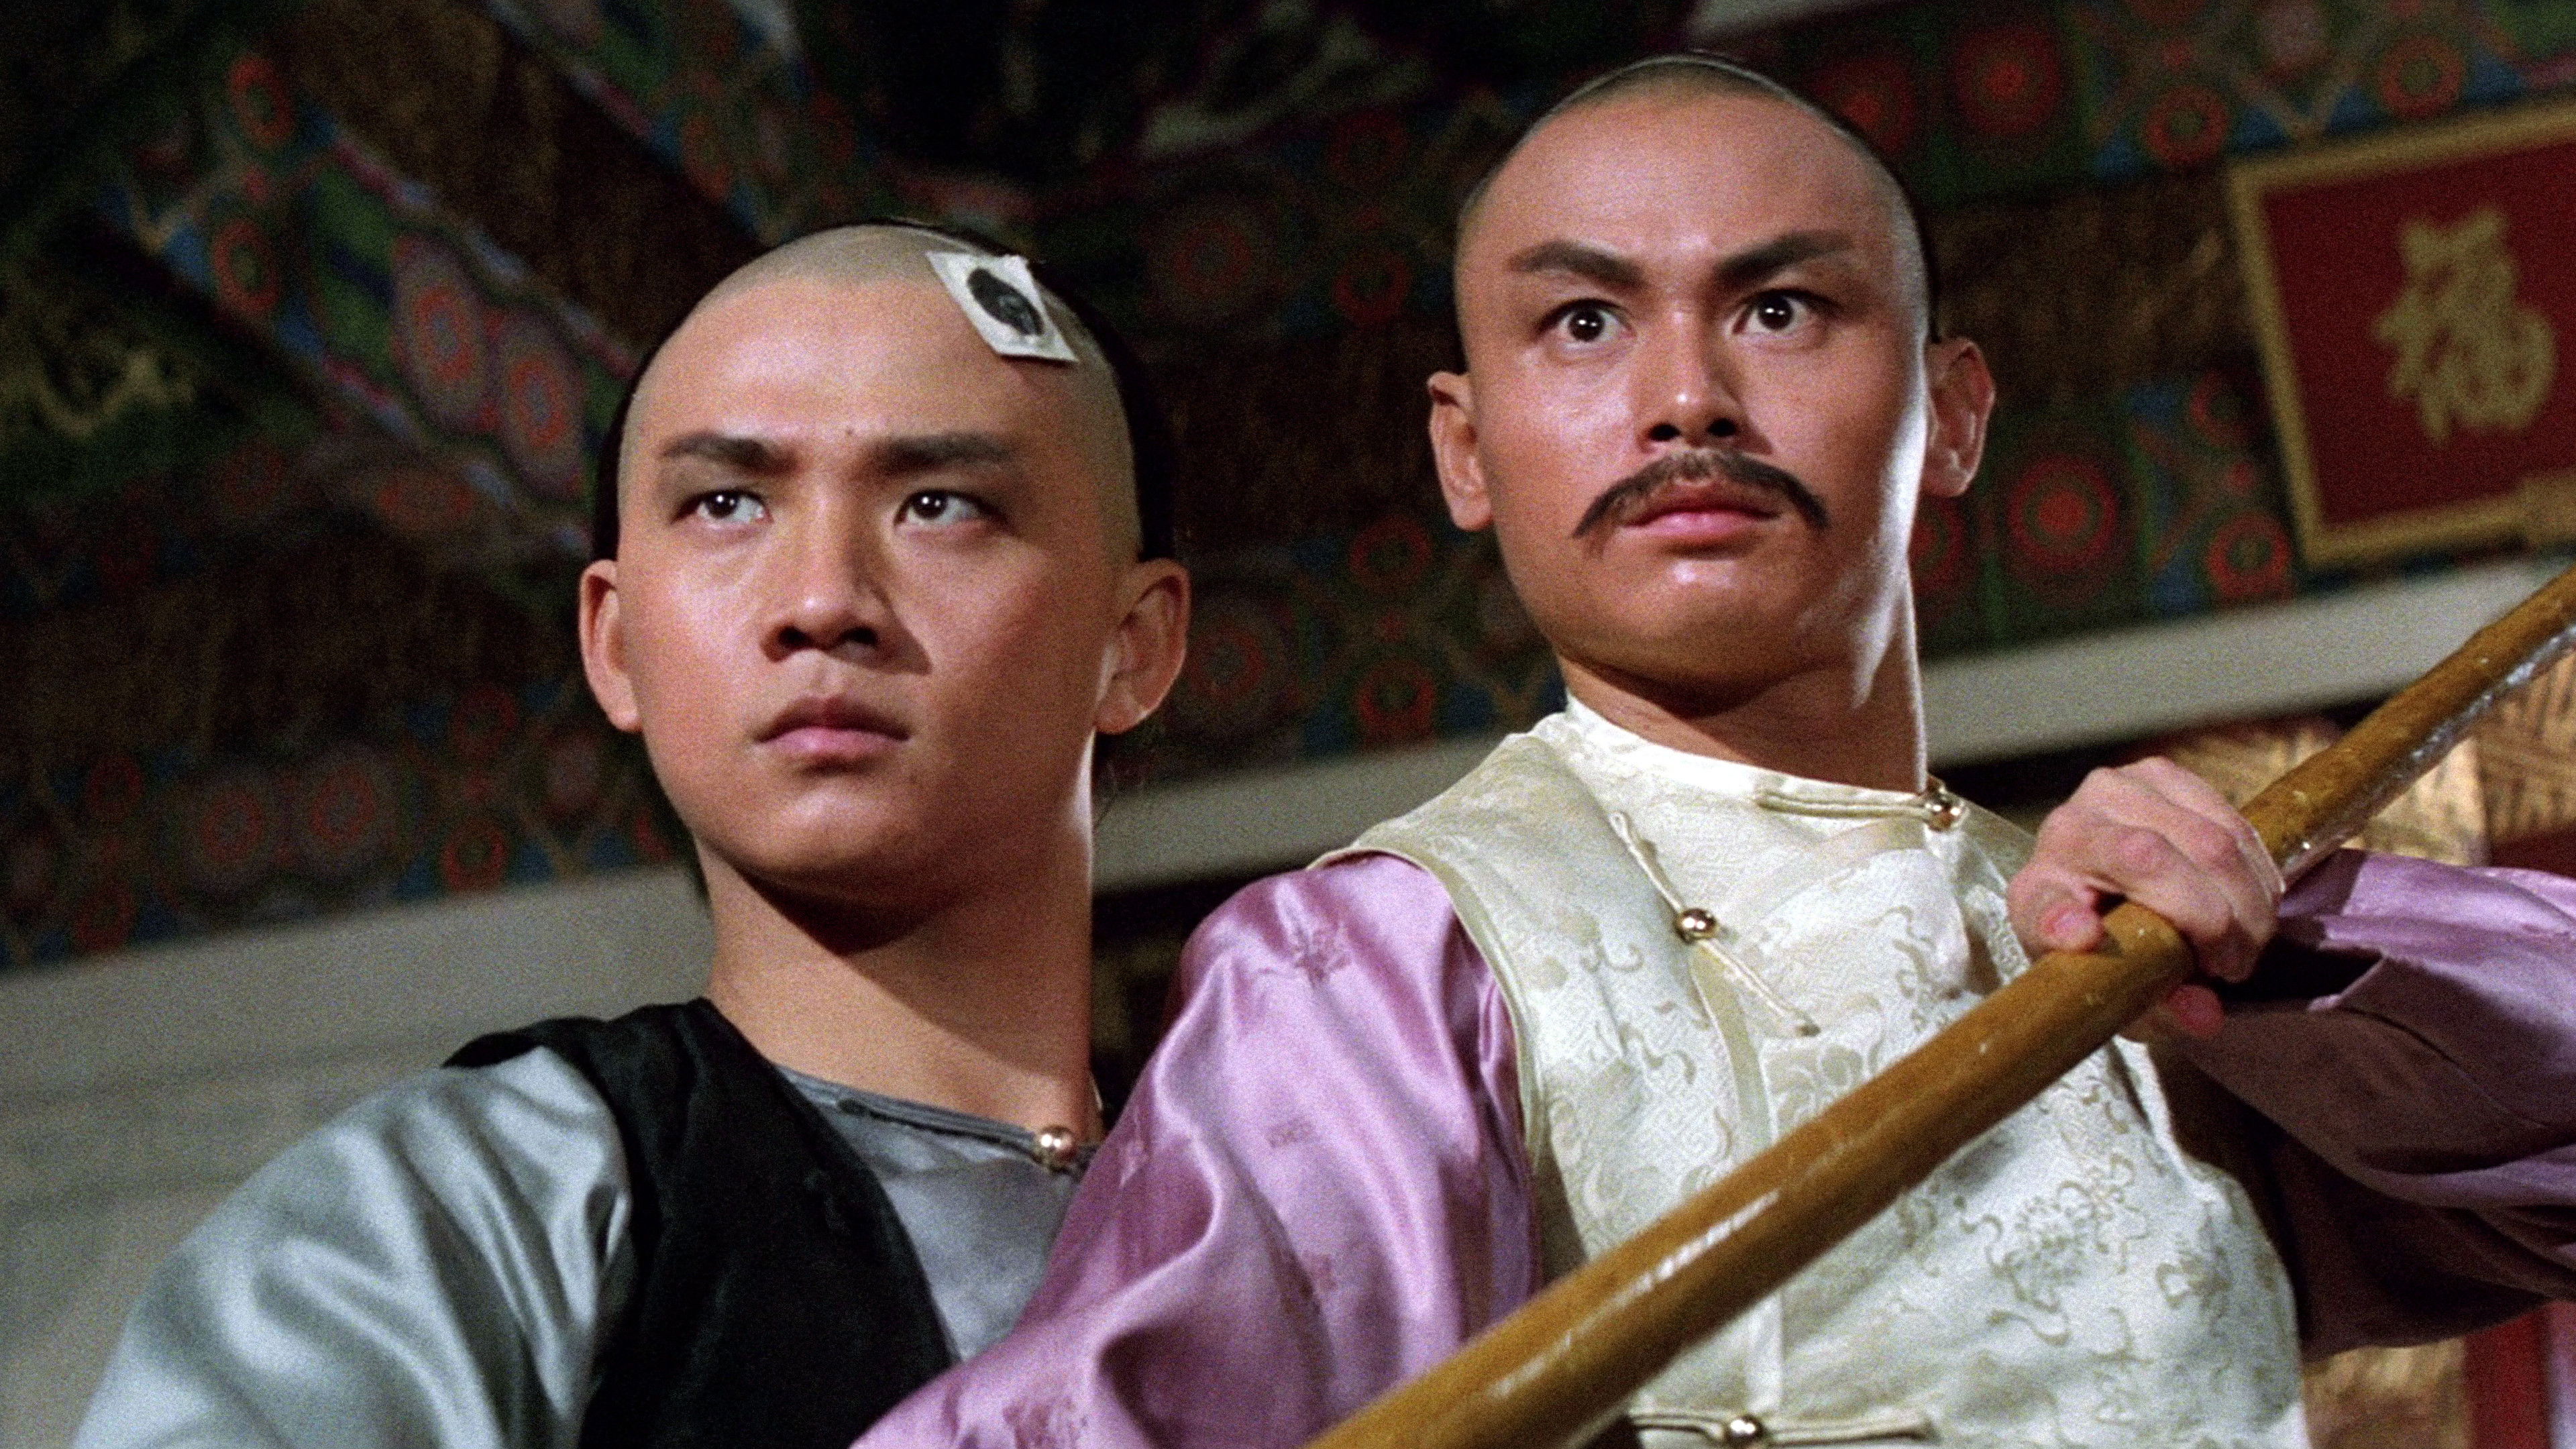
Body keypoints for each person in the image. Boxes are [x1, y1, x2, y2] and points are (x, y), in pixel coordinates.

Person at [853, 56, 2576, 1448]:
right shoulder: (1379, 968)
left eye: (1781, 310)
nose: (1686, 397)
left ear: (1955, 412)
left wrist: (2279, 941)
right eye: (1584, 325)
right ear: (1465, 451)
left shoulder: (2141, 949)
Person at [72, 222, 1189, 1449]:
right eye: (725, 504)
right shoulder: (459, 1215)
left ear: (1134, 644)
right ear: (613, 644)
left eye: (939, 505)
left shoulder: (1280, 1214)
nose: (823, 601)